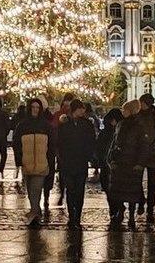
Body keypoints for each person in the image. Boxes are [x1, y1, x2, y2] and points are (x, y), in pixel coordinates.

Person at [12, 97, 54, 228]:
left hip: (41, 164)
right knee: (30, 191)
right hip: (27, 164)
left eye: (37, 107)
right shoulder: (22, 126)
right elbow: (16, 144)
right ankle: (35, 210)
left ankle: (35, 213)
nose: (35, 110)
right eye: (33, 107)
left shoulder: (46, 126)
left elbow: (52, 145)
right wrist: (19, 161)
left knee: (36, 189)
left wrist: (51, 161)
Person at [108, 99, 150, 230]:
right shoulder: (121, 124)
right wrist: (111, 158)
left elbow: (144, 146)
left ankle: (131, 216)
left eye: (124, 110)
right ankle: (121, 211)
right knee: (119, 191)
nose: (122, 112)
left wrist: (140, 163)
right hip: (120, 163)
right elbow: (114, 142)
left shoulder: (139, 126)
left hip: (132, 163)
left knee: (132, 192)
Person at [57, 98, 96, 230]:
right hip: (68, 163)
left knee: (79, 191)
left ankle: (77, 217)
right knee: (70, 190)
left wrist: (88, 156)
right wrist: (61, 157)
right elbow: (60, 142)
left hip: (80, 162)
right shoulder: (65, 125)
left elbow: (91, 141)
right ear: (75, 109)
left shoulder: (86, 124)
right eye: (81, 108)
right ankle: (72, 215)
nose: (83, 111)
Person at [96, 108, 124, 226]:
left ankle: (116, 209)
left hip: (115, 166)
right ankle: (115, 209)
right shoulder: (107, 133)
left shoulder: (120, 132)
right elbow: (99, 148)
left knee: (114, 189)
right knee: (109, 189)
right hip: (108, 166)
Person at [136, 93, 155, 222]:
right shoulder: (137, 115)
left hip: (151, 152)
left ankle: (150, 207)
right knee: (137, 179)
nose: (141, 105)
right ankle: (140, 200)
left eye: (143, 103)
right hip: (139, 152)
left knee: (152, 182)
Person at [52, 92, 75, 206]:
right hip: (63, 150)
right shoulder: (59, 116)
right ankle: (63, 193)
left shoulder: (74, 117)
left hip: (68, 151)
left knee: (68, 175)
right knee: (64, 174)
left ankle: (67, 195)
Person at [10, 104, 27, 179]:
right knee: (25, 154)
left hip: (16, 138)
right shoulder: (27, 117)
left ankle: (17, 168)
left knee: (17, 154)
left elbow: (11, 125)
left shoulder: (15, 116)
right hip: (25, 137)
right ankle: (24, 171)